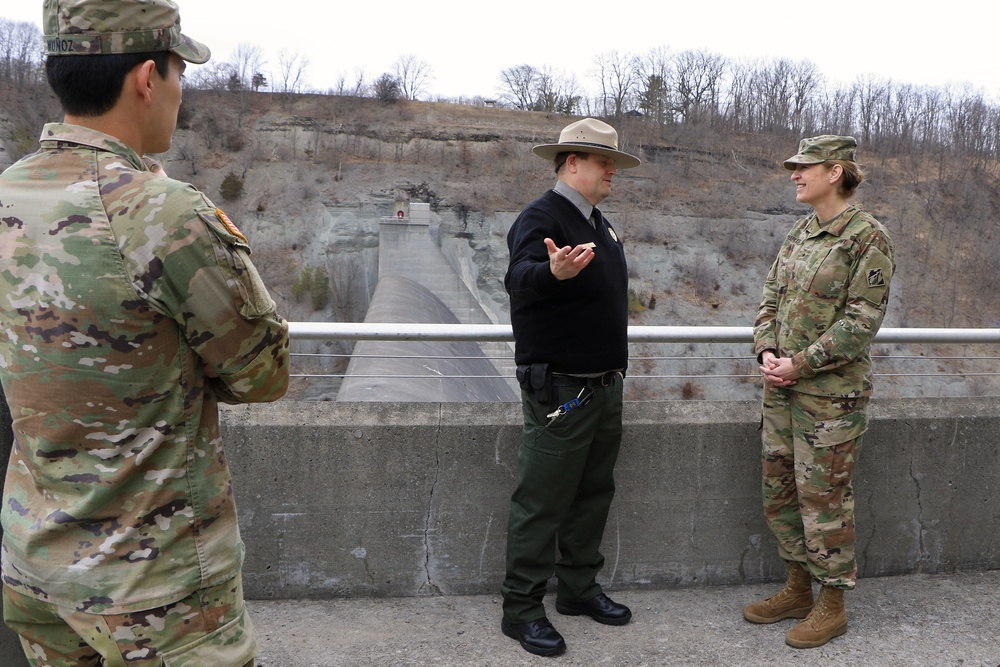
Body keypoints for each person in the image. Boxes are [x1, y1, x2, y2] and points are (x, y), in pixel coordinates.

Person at [0, 1, 290, 665]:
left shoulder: (8, 194)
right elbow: (265, 373)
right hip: (160, 600)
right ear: (145, 79)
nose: (181, 91)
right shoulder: (161, 213)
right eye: (180, 71)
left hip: (35, 571)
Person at [744, 135, 894, 649]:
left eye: (804, 166)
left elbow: (861, 321)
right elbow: (769, 299)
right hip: (781, 392)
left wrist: (800, 364)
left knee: (824, 501)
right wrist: (766, 349)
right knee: (779, 491)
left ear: (835, 172)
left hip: (830, 400)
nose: (794, 174)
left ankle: (832, 605)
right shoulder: (800, 233)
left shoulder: (865, 238)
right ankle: (798, 588)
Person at [500, 118, 640, 657]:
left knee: (592, 494)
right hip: (561, 390)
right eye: (604, 162)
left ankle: (578, 590)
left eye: (613, 163)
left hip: (602, 387)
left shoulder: (597, 221)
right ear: (571, 163)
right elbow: (519, 278)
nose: (612, 172)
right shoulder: (542, 217)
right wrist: (551, 274)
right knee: (541, 502)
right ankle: (521, 610)